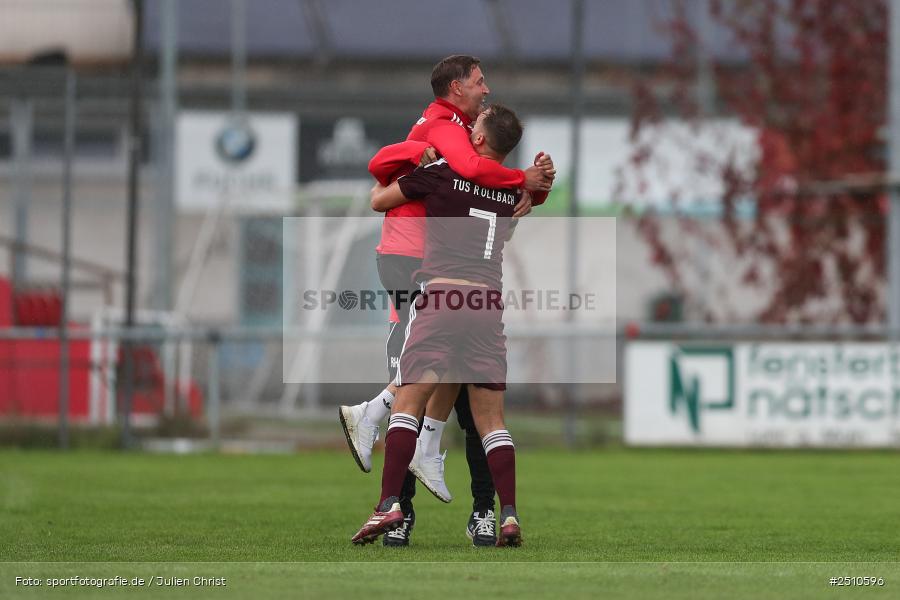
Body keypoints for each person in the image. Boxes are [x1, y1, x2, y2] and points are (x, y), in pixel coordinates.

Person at [339, 55, 554, 547]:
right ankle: (506, 514)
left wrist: (414, 161)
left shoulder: (442, 173)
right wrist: (535, 181)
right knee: (490, 421)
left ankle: (389, 498)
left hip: (439, 295)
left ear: (476, 139)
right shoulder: (506, 194)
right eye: (479, 82)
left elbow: (378, 197)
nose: (484, 90)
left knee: (408, 401)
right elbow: (521, 201)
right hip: (487, 306)